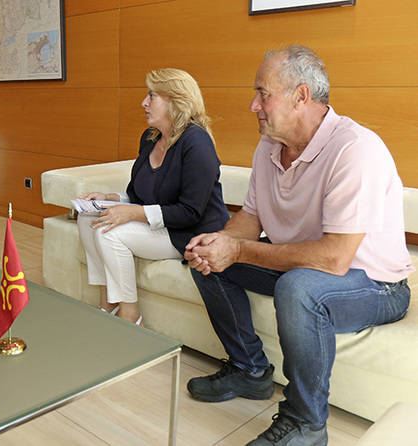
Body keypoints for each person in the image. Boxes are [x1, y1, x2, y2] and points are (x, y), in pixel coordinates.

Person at [184, 45, 413, 446]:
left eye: (263, 93)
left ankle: (307, 422)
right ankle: (250, 370)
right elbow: (251, 220)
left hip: (375, 285)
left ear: (301, 96)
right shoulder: (269, 145)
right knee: (207, 259)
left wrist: (238, 250)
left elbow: (333, 258)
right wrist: (220, 242)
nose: (254, 104)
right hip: (305, 267)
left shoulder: (355, 149)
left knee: (300, 288)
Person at [77, 68, 229, 325]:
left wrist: (134, 213)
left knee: (109, 233)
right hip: (160, 222)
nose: (143, 103)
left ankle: (130, 315)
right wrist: (109, 198)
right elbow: (138, 194)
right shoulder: (150, 139)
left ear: (175, 101)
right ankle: (107, 302)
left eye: (152, 96)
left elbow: (191, 211)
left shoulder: (197, 142)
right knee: (87, 217)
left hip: (189, 232)